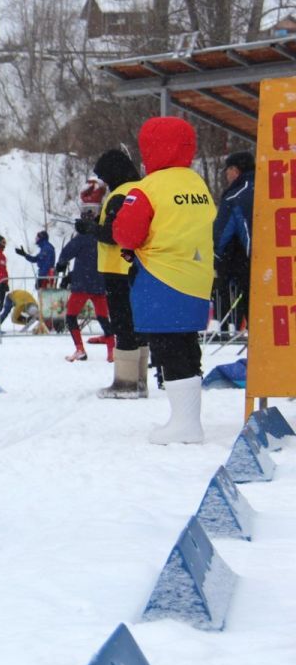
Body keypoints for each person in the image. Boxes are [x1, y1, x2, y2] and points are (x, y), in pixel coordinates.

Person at [112, 116, 215, 444]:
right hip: (196, 278)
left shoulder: (149, 188)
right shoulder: (197, 184)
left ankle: (185, 424)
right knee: (186, 346)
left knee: (169, 348)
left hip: (162, 279)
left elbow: (126, 233)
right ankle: (187, 419)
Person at [75, 149, 146, 396]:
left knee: (123, 324)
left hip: (118, 268)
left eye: (104, 176)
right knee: (137, 325)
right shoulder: (139, 190)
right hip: (137, 267)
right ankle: (140, 380)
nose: (103, 182)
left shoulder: (119, 195)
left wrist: (90, 228)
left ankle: (125, 383)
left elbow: (115, 234)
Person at [56, 201, 114, 363]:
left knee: (71, 317)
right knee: (103, 318)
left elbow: (66, 253)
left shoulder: (81, 238)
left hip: (82, 285)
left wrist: (61, 265)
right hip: (100, 284)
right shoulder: (102, 236)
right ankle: (112, 351)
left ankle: (80, 349)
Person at [212, 150, 254, 332]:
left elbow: (221, 236)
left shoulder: (234, 196)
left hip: (250, 262)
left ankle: (229, 329)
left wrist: (216, 258)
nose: (226, 175)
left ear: (235, 170)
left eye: (227, 170)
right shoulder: (271, 189)